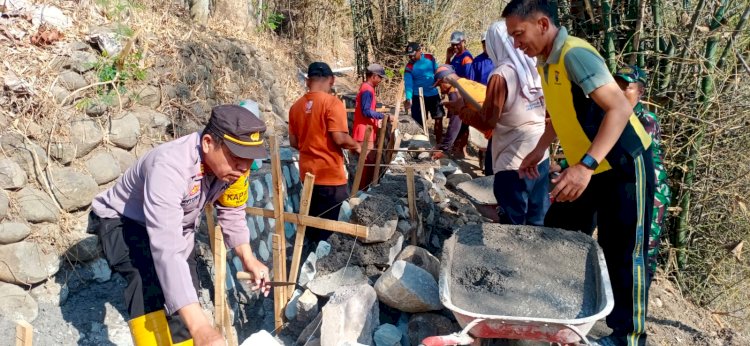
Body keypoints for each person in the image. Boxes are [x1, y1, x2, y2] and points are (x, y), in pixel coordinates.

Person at [503, 1, 655, 345]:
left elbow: (618, 107)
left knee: (623, 249)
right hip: (585, 166)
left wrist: (585, 167)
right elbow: (562, 112)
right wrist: (541, 148)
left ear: (542, 24)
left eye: (519, 34)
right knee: (561, 235)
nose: (516, 44)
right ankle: (557, 313)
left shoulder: (575, 54)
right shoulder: (546, 61)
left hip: (622, 165)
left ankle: (628, 337)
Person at [90, 104, 272, 346]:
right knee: (147, 282)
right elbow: (166, 248)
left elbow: (232, 211)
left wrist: (248, 259)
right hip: (125, 221)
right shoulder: (169, 166)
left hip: (177, 228)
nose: (244, 167)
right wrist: (201, 327)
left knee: (185, 293)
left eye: (249, 160)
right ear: (208, 143)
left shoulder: (237, 170)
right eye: (236, 157)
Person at [443, 20, 549, 226]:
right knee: (537, 218)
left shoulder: (501, 75)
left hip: (514, 160)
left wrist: (460, 110)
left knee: (514, 221)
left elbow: (488, 122)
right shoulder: (534, 68)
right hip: (539, 156)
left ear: (493, 44)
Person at [288, 62, 361, 247]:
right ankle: (321, 266)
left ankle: (308, 263)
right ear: (332, 80)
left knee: (312, 226)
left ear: (307, 81)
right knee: (329, 232)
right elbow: (339, 138)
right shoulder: (332, 103)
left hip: (308, 176)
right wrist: (356, 145)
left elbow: (294, 143)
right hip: (330, 178)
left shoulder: (296, 107)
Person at [614, 65, 671, 283]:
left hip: (652, 193)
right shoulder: (613, 116)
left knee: (644, 252)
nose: (619, 93)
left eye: (625, 88)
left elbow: (618, 150)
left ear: (640, 92)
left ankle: (640, 306)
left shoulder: (647, 120)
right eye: (615, 87)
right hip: (629, 190)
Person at [352, 63, 396, 190]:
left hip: (365, 131)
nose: (381, 80)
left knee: (366, 164)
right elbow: (366, 111)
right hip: (364, 133)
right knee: (366, 165)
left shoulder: (365, 88)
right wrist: (383, 116)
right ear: (374, 76)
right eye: (380, 77)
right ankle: (362, 192)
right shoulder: (367, 90)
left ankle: (363, 191)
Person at [403, 42, 445, 143]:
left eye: (413, 55)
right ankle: (421, 144)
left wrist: (442, 88)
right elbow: (408, 84)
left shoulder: (430, 58)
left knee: (439, 118)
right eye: (410, 55)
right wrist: (409, 98)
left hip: (433, 94)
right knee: (419, 122)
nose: (411, 57)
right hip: (418, 96)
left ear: (419, 51)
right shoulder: (409, 67)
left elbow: (438, 72)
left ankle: (439, 144)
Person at [470, 31, 497, 175]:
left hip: (497, 102)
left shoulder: (500, 59)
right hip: (480, 101)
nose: (486, 46)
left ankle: (491, 167)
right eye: (483, 44)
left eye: (488, 43)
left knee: (493, 135)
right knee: (481, 136)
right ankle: (482, 161)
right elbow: (472, 82)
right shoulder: (477, 61)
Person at [446, 31, 475, 157]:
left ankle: (450, 148)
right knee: (459, 122)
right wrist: (448, 57)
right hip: (454, 92)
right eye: (453, 45)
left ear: (463, 42)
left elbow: (469, 78)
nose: (455, 47)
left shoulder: (466, 58)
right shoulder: (456, 57)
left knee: (458, 121)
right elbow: (446, 73)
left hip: (462, 94)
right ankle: (456, 149)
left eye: (457, 44)